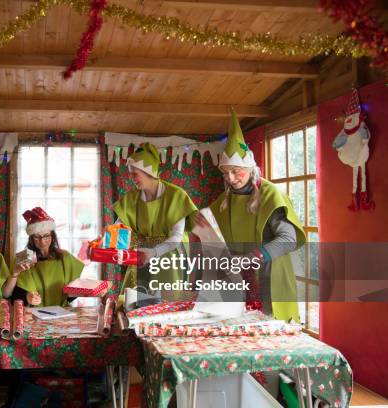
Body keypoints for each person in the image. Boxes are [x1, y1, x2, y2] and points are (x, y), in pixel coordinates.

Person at [194, 109, 306, 322]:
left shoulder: (270, 195)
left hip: (268, 274)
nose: (231, 178)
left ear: (250, 168)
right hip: (237, 280)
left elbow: (288, 239)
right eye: (226, 173)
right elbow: (208, 230)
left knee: (270, 332)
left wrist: (252, 257)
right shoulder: (224, 199)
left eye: (236, 171)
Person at [111, 142, 198, 304]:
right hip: (141, 255)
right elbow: (118, 229)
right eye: (131, 174)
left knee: (164, 304)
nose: (132, 179)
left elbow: (176, 237)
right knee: (133, 302)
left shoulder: (176, 196)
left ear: (148, 171)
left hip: (169, 254)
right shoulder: (132, 198)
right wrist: (104, 242)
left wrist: (155, 252)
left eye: (135, 174)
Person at [7, 207, 84, 307]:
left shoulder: (65, 257)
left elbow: (71, 295)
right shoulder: (23, 257)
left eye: (46, 235)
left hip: (61, 312)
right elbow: (14, 295)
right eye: (37, 237)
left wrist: (85, 291)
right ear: (31, 238)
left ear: (52, 235)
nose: (42, 241)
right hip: (34, 314)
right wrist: (27, 297)